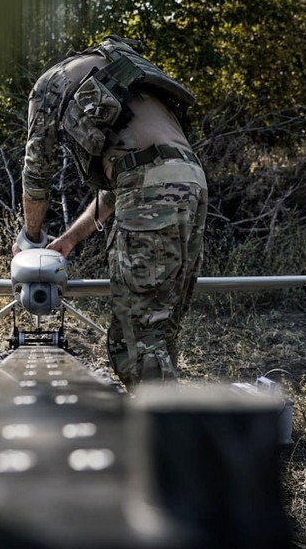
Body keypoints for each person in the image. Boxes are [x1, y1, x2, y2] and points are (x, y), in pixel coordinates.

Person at [13, 35, 207, 387]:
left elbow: (37, 174)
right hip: (191, 181)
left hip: (149, 188)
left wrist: (32, 236)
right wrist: (71, 238)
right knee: (159, 331)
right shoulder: (124, 74)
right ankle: (166, 415)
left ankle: (165, 435)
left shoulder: (50, 83)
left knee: (133, 344)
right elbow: (128, 181)